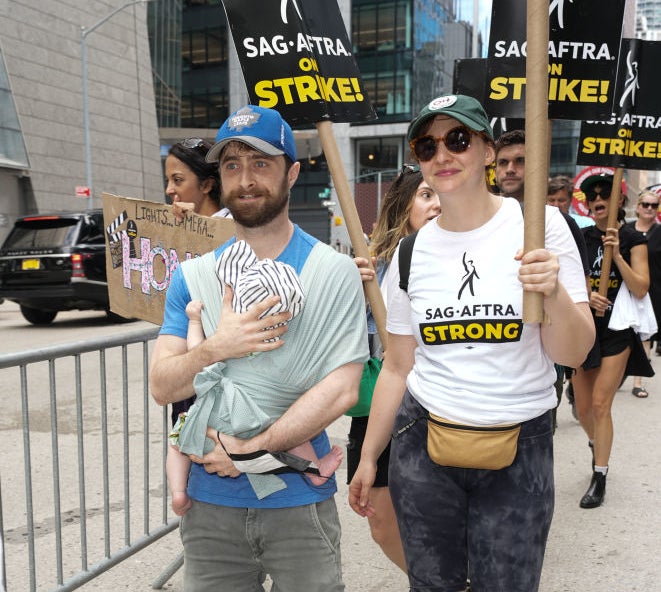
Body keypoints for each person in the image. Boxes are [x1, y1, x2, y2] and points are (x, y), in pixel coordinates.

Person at [348, 94, 594, 591]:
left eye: (457, 139)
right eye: (426, 145)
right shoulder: (412, 252)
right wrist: (372, 457)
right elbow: (398, 367)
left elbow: (574, 353)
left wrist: (555, 295)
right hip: (425, 448)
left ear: (486, 150)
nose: (442, 155)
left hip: (518, 449)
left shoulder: (539, 227)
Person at [150, 104, 368, 591]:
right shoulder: (194, 276)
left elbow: (342, 389)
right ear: (219, 179)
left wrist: (249, 451)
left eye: (261, 163)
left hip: (297, 510)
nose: (245, 179)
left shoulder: (332, 273)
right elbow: (163, 387)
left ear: (292, 172)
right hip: (209, 513)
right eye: (232, 166)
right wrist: (215, 348)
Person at [350, 166, 440, 572]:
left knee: (437, 518)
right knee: (381, 522)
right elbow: (352, 335)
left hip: (433, 407)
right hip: (381, 405)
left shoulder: (455, 260)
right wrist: (353, 290)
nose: (437, 202)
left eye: (440, 194)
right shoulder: (377, 267)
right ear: (404, 206)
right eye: (425, 194)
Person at [495, 130, 591, 429]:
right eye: (503, 162)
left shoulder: (560, 222)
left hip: (544, 360)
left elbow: (579, 290)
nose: (510, 168)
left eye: (520, 161)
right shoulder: (476, 221)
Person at [572, 172, 651, 508]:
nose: (598, 200)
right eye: (592, 197)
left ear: (619, 201)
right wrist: (587, 294)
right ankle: (596, 442)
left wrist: (617, 255)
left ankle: (599, 475)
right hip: (584, 329)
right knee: (583, 410)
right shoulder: (581, 237)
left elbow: (641, 286)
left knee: (602, 405)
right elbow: (568, 282)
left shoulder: (634, 238)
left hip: (617, 331)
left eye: (605, 194)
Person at [624, 190, 660, 397]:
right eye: (645, 204)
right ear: (638, 207)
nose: (649, 208)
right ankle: (618, 374)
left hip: (653, 292)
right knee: (623, 333)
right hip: (624, 290)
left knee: (645, 335)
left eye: (654, 205)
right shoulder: (626, 230)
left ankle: (639, 382)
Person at [165, 137, 231, 219]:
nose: (168, 190)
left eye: (177, 180)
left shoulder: (237, 226)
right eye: (167, 181)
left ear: (206, 185)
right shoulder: (173, 226)